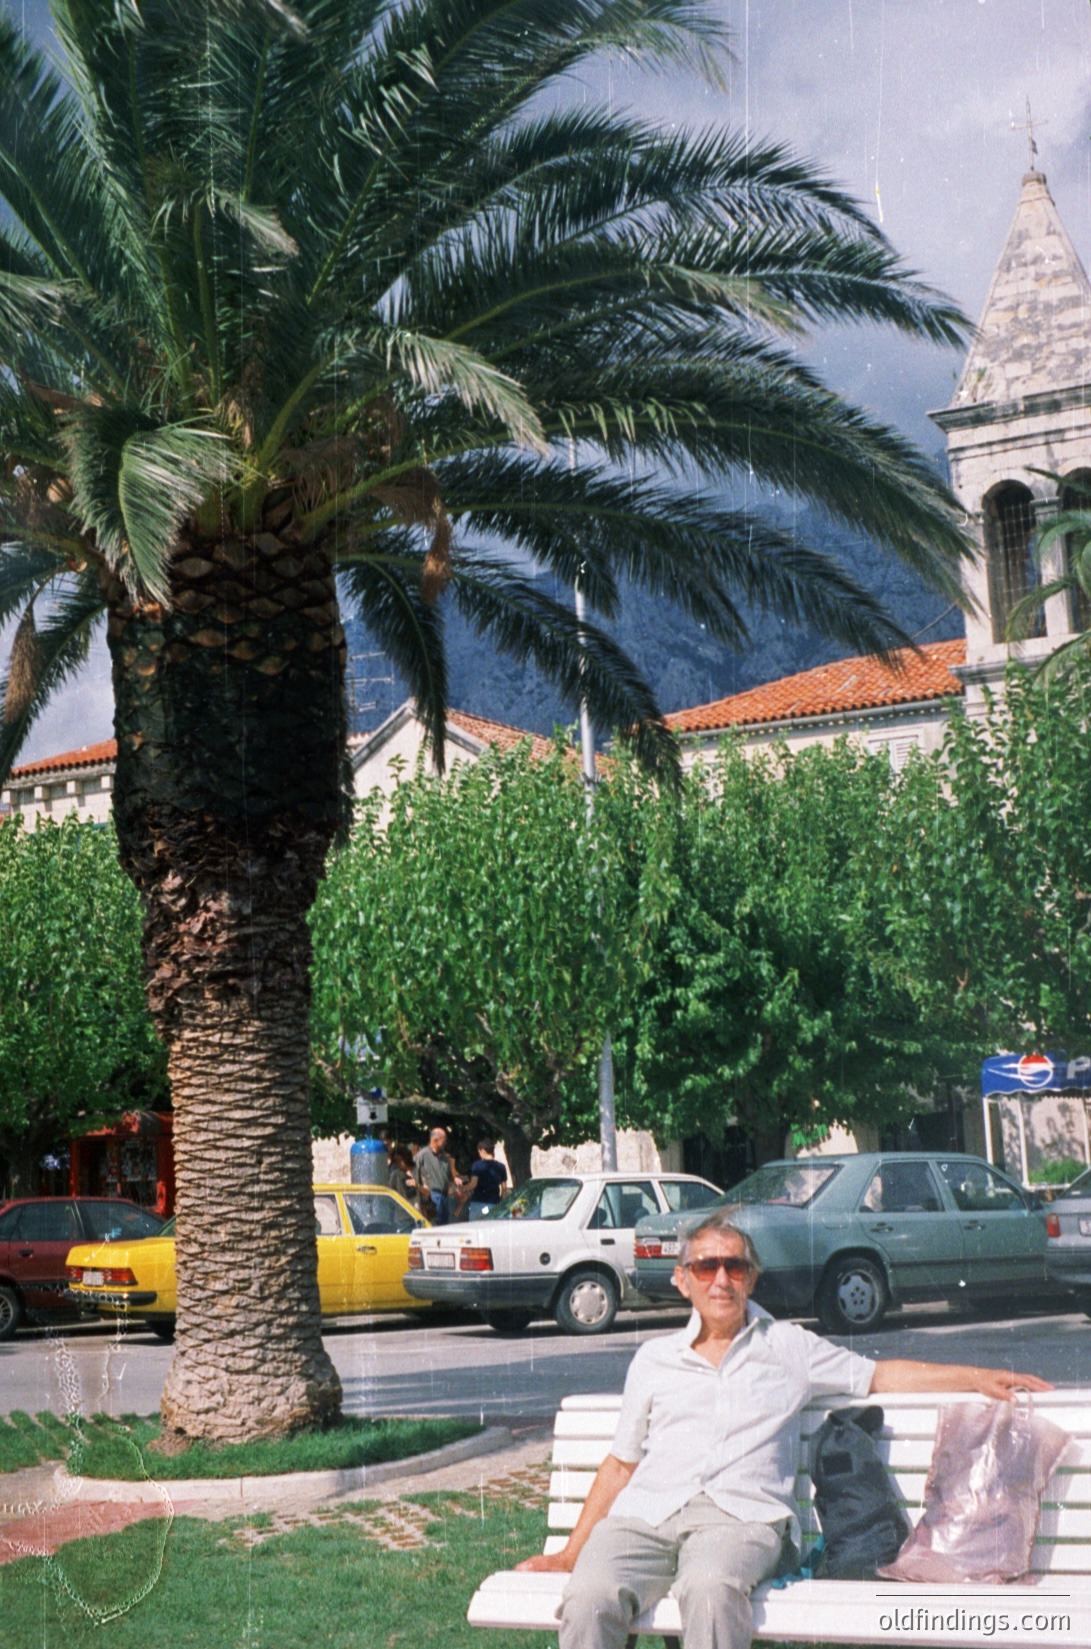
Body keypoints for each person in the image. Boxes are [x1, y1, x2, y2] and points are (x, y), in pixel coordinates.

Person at [517, 1206, 1052, 1649]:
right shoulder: (655, 1360)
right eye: (706, 1267)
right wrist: (569, 1554)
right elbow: (621, 1463)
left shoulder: (789, 1347)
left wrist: (976, 1375)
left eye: (734, 1266)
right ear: (682, 1280)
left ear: (751, 1277)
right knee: (589, 1597)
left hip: (739, 1518)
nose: (721, 1279)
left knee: (708, 1588)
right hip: (646, 1514)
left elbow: (879, 1375)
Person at [414, 1126, 456, 1226]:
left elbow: (449, 1175)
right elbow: (413, 1173)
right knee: (435, 1224)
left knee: (444, 1225)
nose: (445, 1143)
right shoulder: (422, 1155)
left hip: (445, 1196)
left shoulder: (444, 1156)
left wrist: (455, 1180)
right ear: (435, 1140)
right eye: (444, 1140)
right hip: (432, 1195)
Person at [464, 1139, 509, 1221]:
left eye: (479, 1152)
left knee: (475, 1228)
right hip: (493, 1204)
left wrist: (462, 1189)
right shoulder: (501, 1167)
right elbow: (504, 1190)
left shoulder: (477, 1165)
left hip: (478, 1203)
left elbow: (473, 1184)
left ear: (483, 1151)